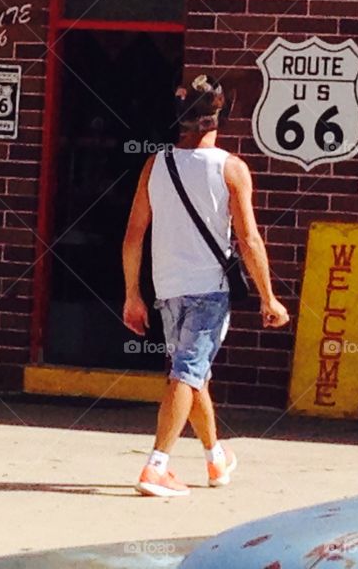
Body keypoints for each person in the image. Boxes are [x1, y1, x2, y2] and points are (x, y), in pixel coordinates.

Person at [122, 74, 291, 497]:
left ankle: (216, 458)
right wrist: (269, 296)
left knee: (193, 375)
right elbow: (249, 239)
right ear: (220, 117)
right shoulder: (231, 168)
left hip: (167, 289)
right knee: (187, 374)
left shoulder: (154, 164)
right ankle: (156, 467)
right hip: (209, 291)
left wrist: (132, 295)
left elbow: (133, 236)